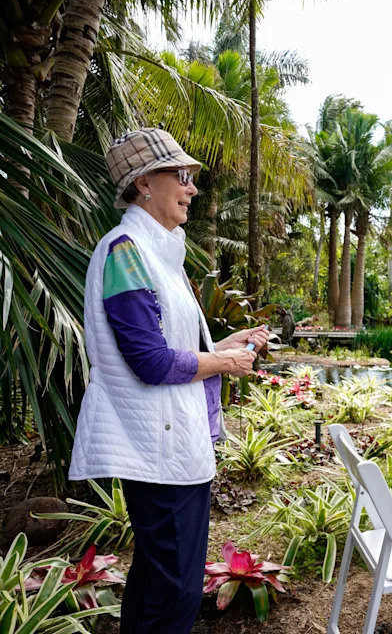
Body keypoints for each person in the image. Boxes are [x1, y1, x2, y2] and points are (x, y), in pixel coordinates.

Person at [68, 128, 270, 633]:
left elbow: (170, 347)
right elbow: (152, 362)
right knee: (176, 591)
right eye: (180, 176)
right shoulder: (126, 252)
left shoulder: (158, 252)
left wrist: (223, 346)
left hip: (173, 447)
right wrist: (224, 364)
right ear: (142, 185)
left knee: (159, 579)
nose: (192, 188)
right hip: (156, 451)